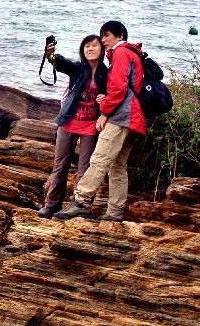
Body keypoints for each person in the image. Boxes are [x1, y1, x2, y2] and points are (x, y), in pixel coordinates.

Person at [55, 21, 147, 222]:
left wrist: (104, 111)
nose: (103, 40)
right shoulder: (134, 54)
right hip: (133, 118)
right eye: (102, 36)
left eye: (107, 35)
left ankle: (81, 202)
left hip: (121, 117)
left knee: (99, 161)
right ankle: (115, 212)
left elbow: (118, 89)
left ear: (120, 35)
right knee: (117, 166)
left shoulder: (122, 53)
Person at [37, 35, 109, 218]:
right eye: (87, 46)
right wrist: (51, 56)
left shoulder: (106, 73)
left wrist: (105, 100)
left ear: (102, 50)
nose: (90, 49)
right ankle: (52, 204)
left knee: (85, 169)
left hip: (91, 126)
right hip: (68, 122)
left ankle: (78, 206)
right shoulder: (78, 68)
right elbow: (61, 63)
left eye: (94, 45)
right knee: (60, 165)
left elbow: (115, 93)